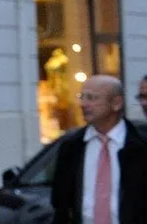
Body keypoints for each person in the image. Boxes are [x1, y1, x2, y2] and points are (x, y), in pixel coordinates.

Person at [50, 75, 147, 224]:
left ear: (116, 103)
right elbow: (60, 204)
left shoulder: (141, 144)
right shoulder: (72, 146)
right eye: (82, 97)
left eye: (92, 98)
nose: (83, 104)